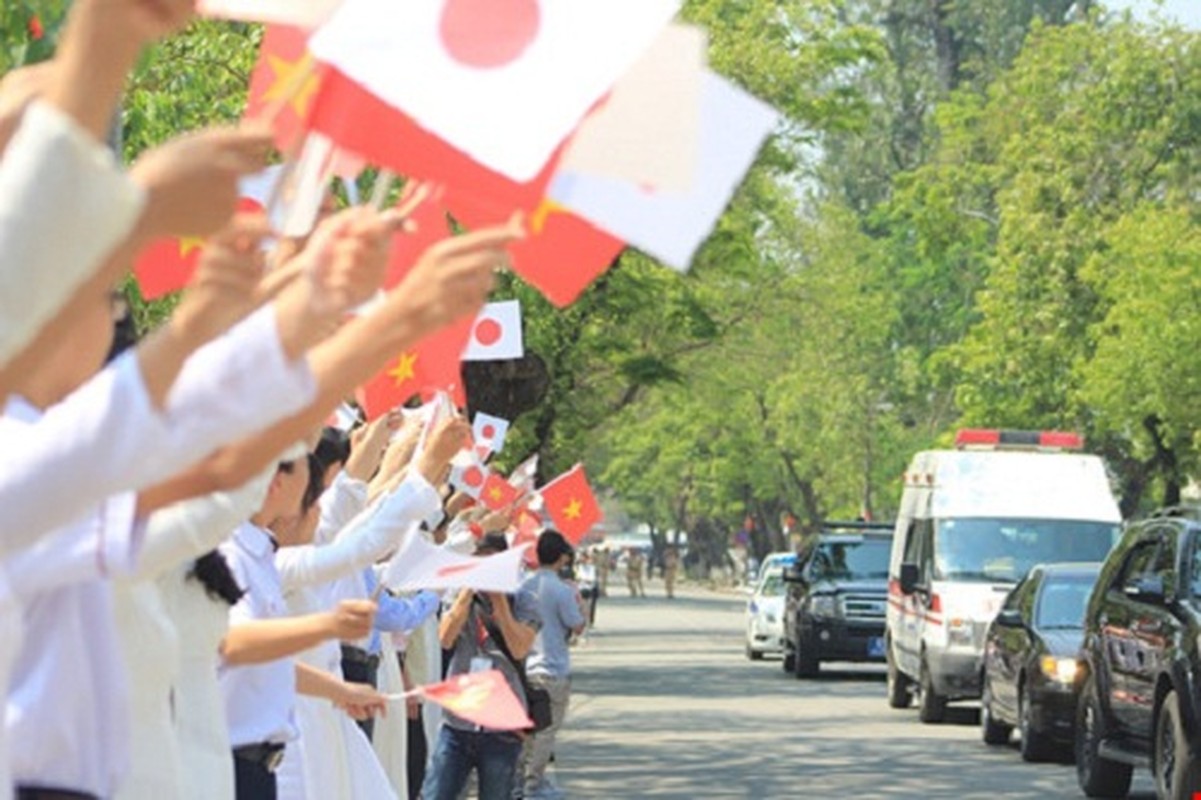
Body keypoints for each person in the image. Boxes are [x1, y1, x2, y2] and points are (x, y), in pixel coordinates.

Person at [421, 534, 538, 800]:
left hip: (502, 728)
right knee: (435, 794)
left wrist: (500, 603)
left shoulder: (525, 597)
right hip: (457, 723)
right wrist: (466, 593)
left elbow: (520, 647)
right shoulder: (459, 593)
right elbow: (445, 638)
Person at [517, 532, 587, 800]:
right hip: (554, 668)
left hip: (525, 668)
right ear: (561, 558)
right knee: (546, 732)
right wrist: (579, 601)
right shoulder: (562, 589)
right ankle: (532, 786)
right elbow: (578, 625)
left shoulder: (524, 586)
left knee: (527, 732)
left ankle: (519, 781)